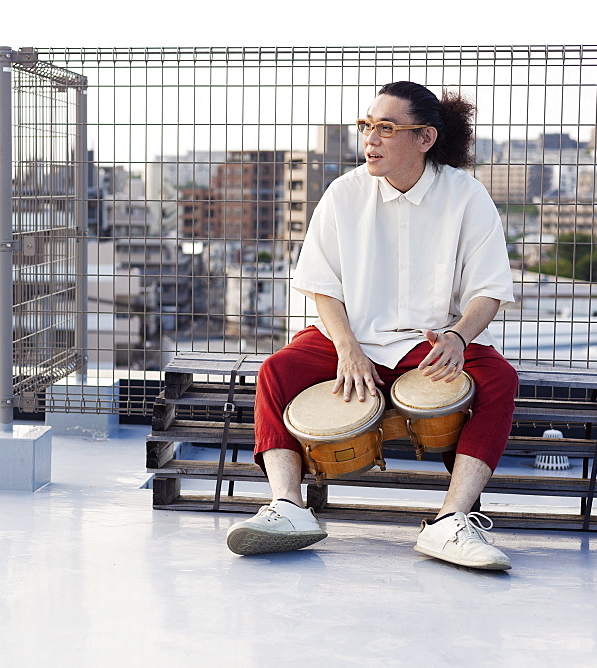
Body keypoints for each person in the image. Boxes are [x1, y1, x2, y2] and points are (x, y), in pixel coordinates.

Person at [225, 81, 518, 570]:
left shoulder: (467, 195)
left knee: (499, 379)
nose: (370, 138)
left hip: (429, 344)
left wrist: (459, 336)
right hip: (349, 338)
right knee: (275, 371)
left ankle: (450, 521)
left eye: (386, 127)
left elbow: (489, 289)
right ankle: (289, 507)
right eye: (366, 125)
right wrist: (347, 348)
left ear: (425, 138)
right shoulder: (344, 192)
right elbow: (322, 286)